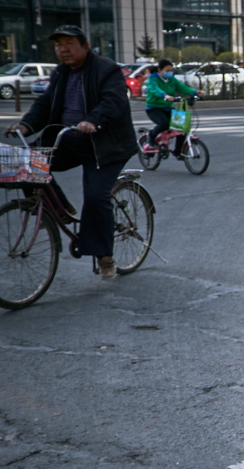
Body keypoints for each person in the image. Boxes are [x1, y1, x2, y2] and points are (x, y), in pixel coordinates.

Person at [5, 24, 137, 280]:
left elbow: (114, 101)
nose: (63, 49)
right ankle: (60, 207)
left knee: (96, 197)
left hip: (105, 145)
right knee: (27, 163)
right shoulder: (61, 73)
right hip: (68, 140)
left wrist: (92, 121)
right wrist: (26, 124)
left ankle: (104, 255)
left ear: (85, 46)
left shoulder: (106, 68)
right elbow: (44, 103)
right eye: (58, 45)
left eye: (69, 44)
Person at [143, 58, 200, 160]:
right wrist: (165, 95)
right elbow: (154, 89)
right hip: (154, 108)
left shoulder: (172, 80)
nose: (170, 73)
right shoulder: (152, 79)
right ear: (160, 70)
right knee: (164, 124)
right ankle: (151, 135)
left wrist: (195, 92)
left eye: (171, 70)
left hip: (167, 108)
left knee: (181, 128)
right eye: (167, 70)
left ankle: (178, 152)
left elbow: (182, 88)